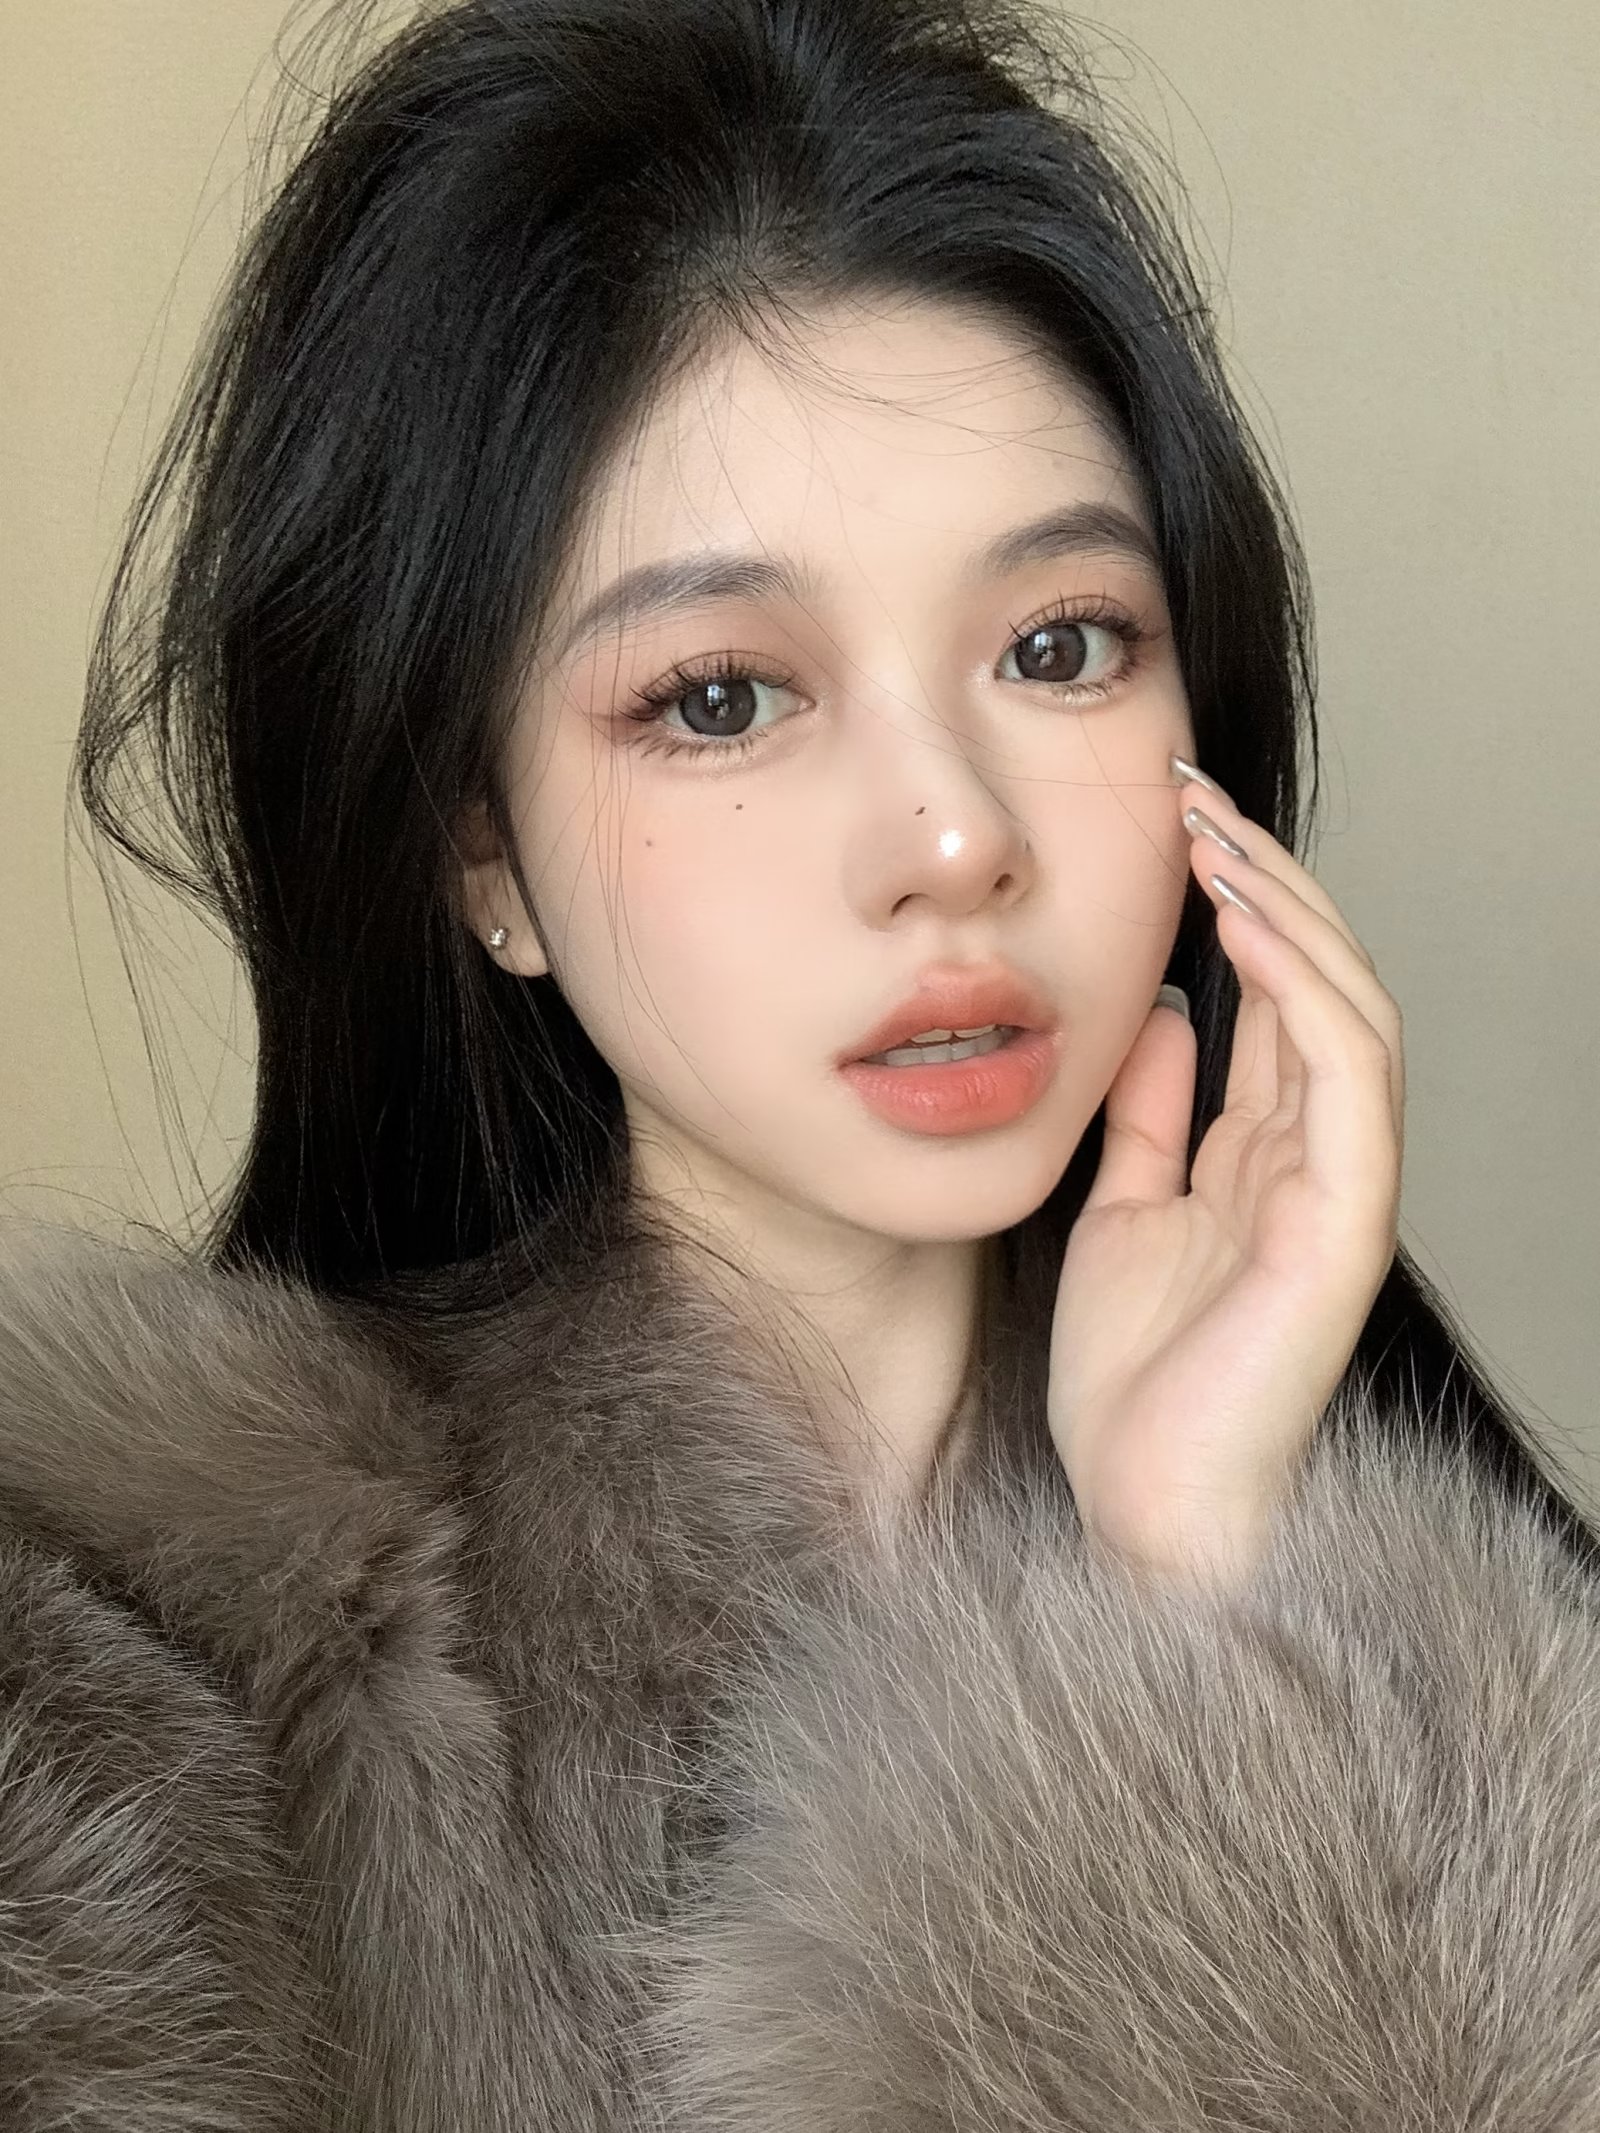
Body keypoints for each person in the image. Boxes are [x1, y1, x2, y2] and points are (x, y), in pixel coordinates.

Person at [4, 0, 1598, 2124]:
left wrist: (1195, 1607)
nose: (950, 836)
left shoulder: (1475, 1725)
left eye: (1057, 646)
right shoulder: (138, 1657)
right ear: (485, 848)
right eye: (722, 696)